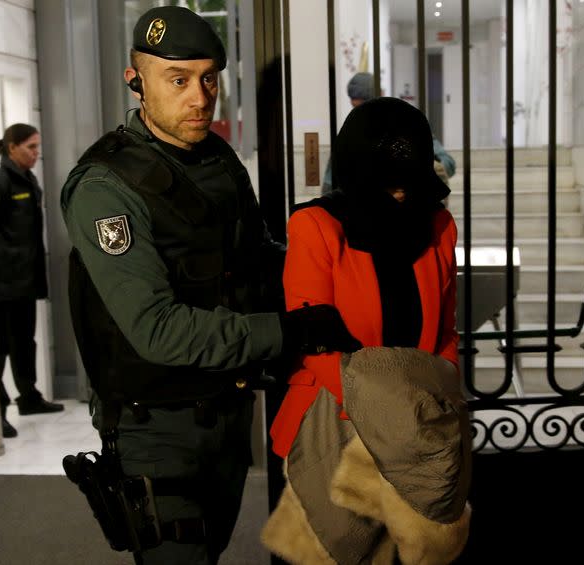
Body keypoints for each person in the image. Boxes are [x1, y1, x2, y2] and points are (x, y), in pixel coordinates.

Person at [59, 6, 359, 564]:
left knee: (213, 547)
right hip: (157, 428)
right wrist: (287, 332)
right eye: (178, 81)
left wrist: (328, 257)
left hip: (225, 411)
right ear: (136, 81)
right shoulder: (105, 186)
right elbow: (157, 330)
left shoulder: (217, 158)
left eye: (209, 79)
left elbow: (258, 258)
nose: (200, 97)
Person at [264, 97, 470, 563]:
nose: (399, 196)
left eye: (408, 183)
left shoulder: (438, 225)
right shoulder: (315, 226)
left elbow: (444, 334)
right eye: (386, 184)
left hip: (416, 429)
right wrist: (393, 413)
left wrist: (441, 408)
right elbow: (315, 342)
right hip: (333, 424)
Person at [0, 123, 64, 439]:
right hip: (2, 286)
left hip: (26, 282)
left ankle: (29, 397)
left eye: (38, 147)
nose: (36, 154)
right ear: (11, 147)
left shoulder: (28, 180)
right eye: (30, 147)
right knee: (0, 349)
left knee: (25, 344)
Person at [321, 71, 456, 193]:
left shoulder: (406, 126)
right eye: (356, 109)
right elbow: (330, 183)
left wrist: (425, 169)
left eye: (366, 108)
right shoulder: (349, 136)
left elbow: (448, 163)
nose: (361, 116)